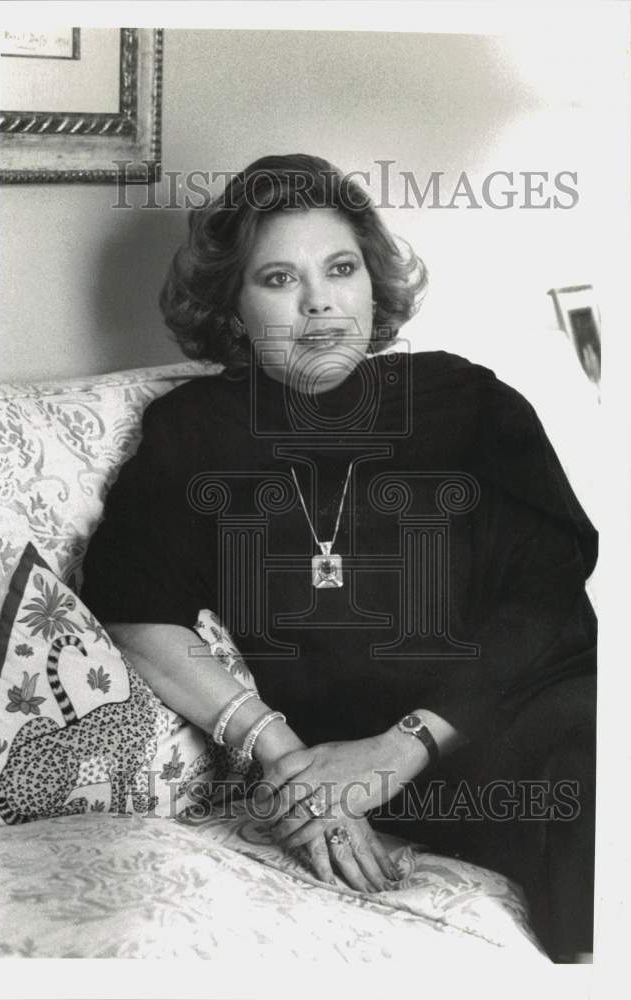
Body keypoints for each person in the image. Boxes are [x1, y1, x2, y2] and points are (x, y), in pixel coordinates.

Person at [80, 154, 597, 962]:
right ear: (233, 307)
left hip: (516, 719)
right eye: (278, 278)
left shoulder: (471, 403)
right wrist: (289, 761)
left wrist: (401, 747)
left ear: (372, 286)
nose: (319, 301)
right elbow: (137, 614)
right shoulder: (195, 432)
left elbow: (548, 604)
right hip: (351, 761)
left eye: (341, 269)